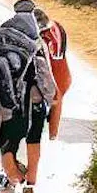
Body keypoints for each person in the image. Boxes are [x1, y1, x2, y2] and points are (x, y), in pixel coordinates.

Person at [0, 1, 56, 193]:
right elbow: (47, 80)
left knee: (4, 144)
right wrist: (50, 103)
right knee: (31, 142)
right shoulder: (35, 43)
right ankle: (28, 186)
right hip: (30, 103)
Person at [33, 8, 71, 141]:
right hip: (58, 69)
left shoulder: (49, 35)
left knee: (56, 98)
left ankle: (52, 135)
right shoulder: (56, 27)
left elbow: (54, 57)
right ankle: (51, 133)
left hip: (56, 72)